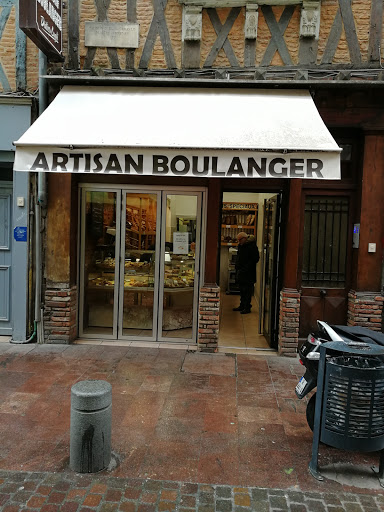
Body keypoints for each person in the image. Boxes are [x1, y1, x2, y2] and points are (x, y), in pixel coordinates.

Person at [233, 232, 259, 314]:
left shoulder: (252, 246)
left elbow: (255, 259)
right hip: (241, 271)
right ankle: (242, 305)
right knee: (242, 290)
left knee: (247, 291)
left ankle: (247, 307)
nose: (239, 242)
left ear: (244, 238)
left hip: (248, 273)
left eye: (240, 240)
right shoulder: (241, 246)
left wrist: (246, 267)